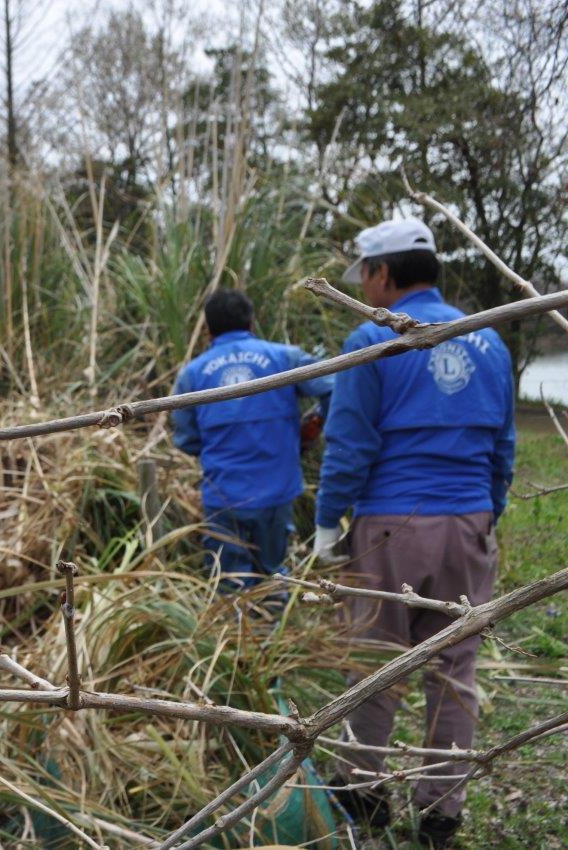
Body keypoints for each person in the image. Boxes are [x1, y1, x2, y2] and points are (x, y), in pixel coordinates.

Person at [314, 218, 515, 848]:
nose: (366, 287)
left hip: (388, 529)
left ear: (382, 274)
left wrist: (327, 525)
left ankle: (362, 794)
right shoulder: (487, 341)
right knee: (455, 672)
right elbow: (502, 447)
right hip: (467, 521)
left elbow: (349, 445)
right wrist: (485, 514)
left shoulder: (372, 340)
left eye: (366, 275)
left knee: (374, 661)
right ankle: (440, 813)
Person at [173, 289, 334, 601]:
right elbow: (336, 386)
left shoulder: (191, 375)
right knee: (273, 576)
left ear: (207, 330)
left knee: (228, 583)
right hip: (277, 494)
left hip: (223, 497)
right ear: (252, 323)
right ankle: (275, 642)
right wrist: (315, 423)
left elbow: (186, 439)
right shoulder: (285, 358)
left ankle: (233, 643)